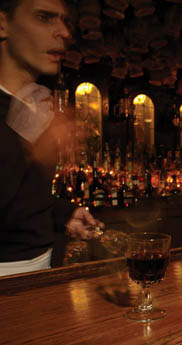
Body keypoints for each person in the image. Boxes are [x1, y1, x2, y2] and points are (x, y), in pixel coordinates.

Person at [0, 0, 103, 275]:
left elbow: (23, 195)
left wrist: (63, 214)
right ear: (3, 24)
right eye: (44, 17)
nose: (64, 32)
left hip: (42, 268)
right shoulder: (24, 118)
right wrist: (20, 139)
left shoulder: (36, 105)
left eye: (64, 21)